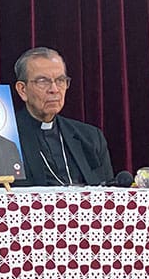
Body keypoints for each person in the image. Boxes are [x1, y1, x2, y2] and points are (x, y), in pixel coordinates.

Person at [14, 47, 113, 186]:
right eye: (43, 81)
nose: (54, 89)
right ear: (22, 90)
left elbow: (109, 194)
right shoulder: (7, 140)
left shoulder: (91, 137)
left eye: (60, 80)